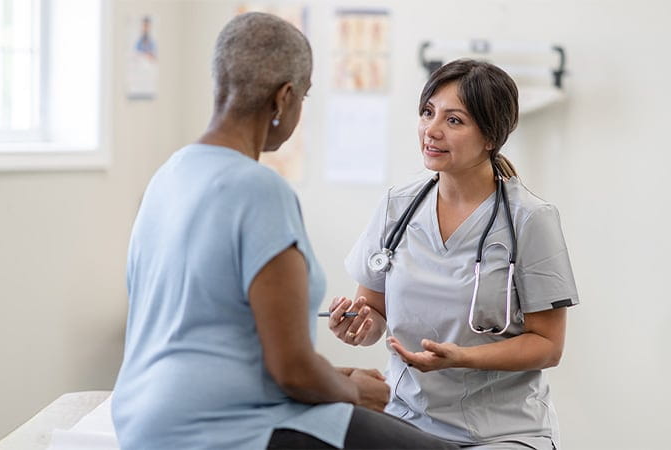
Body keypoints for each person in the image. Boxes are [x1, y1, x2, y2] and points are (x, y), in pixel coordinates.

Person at [111, 12, 458, 450]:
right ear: (283, 98)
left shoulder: (169, 175)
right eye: (304, 98)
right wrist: (354, 390)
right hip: (226, 429)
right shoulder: (259, 190)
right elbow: (291, 368)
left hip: (144, 423)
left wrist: (335, 377)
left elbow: (222, 343)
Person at [327, 59, 579, 449]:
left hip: (502, 432)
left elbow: (548, 345)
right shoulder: (397, 206)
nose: (432, 130)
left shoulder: (531, 219)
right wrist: (359, 326)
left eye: (454, 121)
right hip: (407, 421)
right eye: (428, 112)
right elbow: (373, 311)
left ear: (491, 136)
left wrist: (463, 357)